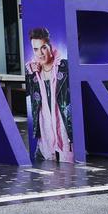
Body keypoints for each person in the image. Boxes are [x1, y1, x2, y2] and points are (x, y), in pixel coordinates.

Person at [25, 27, 72, 163]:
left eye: (43, 47)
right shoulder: (33, 71)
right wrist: (30, 74)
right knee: (47, 175)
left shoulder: (64, 66)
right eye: (35, 49)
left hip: (65, 132)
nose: (40, 53)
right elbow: (28, 93)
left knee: (69, 169)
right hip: (44, 137)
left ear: (50, 46)